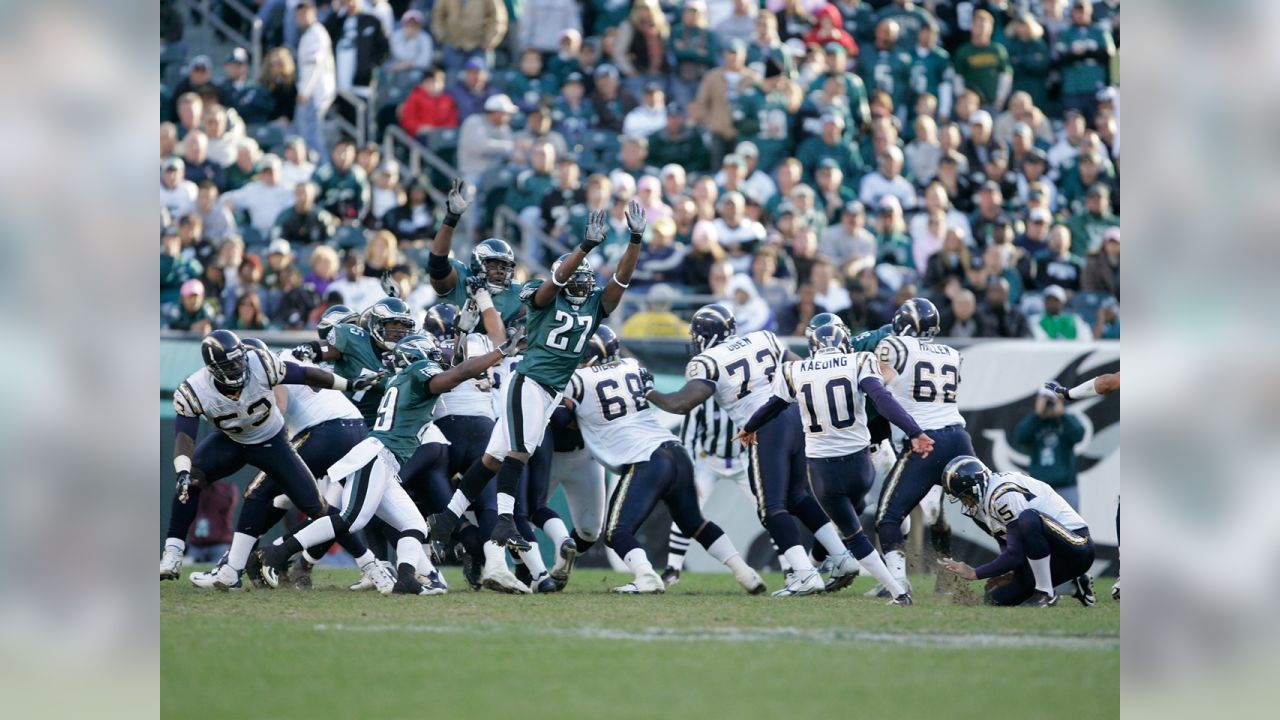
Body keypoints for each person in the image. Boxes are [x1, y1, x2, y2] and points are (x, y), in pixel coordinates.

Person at [428, 204, 646, 592]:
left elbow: (621, 281)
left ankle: (446, 518)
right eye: (574, 277)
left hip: (548, 391)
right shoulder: (543, 297)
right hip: (527, 381)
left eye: (585, 278)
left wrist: (634, 240)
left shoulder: (597, 305)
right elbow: (553, 284)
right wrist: (583, 248)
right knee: (521, 452)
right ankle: (506, 522)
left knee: (493, 459)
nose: (581, 283)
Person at [260, 331, 523, 594]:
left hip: (388, 462)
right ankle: (276, 553)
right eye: (430, 351)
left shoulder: (403, 377)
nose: (435, 356)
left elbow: (453, 371)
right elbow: (458, 374)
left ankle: (406, 578)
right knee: (351, 519)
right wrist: (499, 352)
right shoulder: (420, 370)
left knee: (415, 525)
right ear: (417, 355)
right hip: (379, 455)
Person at [645, 304, 864, 597]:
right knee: (798, 497)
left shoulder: (708, 361)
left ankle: (804, 574)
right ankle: (842, 559)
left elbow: (681, 404)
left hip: (766, 425)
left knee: (770, 507)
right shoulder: (764, 338)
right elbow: (802, 367)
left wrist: (648, 392)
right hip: (798, 417)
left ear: (704, 336)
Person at [160, 330, 384, 586]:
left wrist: (349, 383)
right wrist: (182, 471)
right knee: (192, 480)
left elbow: (306, 374)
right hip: (230, 441)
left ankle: (370, 564)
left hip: (271, 442)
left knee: (318, 507)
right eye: (228, 364)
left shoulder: (261, 364)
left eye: (238, 360)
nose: (237, 367)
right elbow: (184, 437)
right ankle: (174, 551)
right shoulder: (196, 388)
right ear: (212, 369)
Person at [740, 322, 932, 603]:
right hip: (861, 463)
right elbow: (881, 398)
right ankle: (822, 568)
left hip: (824, 468)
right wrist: (915, 431)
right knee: (851, 515)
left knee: (852, 534)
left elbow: (773, 406)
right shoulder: (860, 360)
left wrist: (749, 427)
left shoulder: (794, 370)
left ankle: (897, 590)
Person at [567, 330, 767, 594]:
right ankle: (746, 573)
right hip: (675, 450)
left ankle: (646, 576)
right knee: (694, 523)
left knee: (617, 531)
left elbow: (563, 419)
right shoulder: (632, 366)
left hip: (646, 459)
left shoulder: (578, 380)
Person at [869, 297, 975, 596]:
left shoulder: (894, 345)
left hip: (924, 442)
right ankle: (1026, 567)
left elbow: (878, 386)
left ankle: (898, 584)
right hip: (958, 437)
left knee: (887, 518)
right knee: (985, 511)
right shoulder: (952, 353)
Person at [938, 456, 1096, 607]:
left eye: (964, 495)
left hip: (1076, 544)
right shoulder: (981, 507)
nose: (964, 501)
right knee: (995, 598)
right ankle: (1073, 586)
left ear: (976, 487)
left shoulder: (1003, 494)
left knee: (1028, 519)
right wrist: (1009, 570)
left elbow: (1016, 554)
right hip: (1048, 554)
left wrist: (975, 573)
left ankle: (1045, 592)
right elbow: (1007, 544)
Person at [424, 179, 519, 346]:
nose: (500, 271)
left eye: (504, 266)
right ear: (478, 263)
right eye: (493, 264)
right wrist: (451, 219)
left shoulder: (516, 294)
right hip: (445, 351)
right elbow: (437, 264)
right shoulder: (461, 278)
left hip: (493, 361)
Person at [1013, 387, 1086, 509]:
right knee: (1040, 526)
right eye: (1045, 399)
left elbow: (1079, 434)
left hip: (1066, 486)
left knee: (1071, 526)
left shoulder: (1066, 420)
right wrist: (1037, 415)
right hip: (1039, 488)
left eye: (1052, 399)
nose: (1049, 403)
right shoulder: (1034, 422)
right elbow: (1020, 437)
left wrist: (1062, 414)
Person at [1052, 0, 1116, 121]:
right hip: (1072, 88)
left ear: (1090, 12)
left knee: (1098, 123)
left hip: (1096, 87)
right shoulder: (1065, 32)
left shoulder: (1099, 30)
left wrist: (1084, 52)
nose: (1080, 15)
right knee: (1074, 122)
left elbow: (1108, 54)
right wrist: (1085, 53)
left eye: (1083, 11)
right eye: (1077, 11)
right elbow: (1060, 57)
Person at [293, 2, 336, 158]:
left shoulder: (315, 33)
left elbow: (313, 64)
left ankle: (320, 169)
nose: (302, 18)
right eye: (299, 15)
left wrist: (304, 91)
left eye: (305, 13)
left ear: (314, 13)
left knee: (311, 137)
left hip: (313, 93)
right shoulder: (311, 33)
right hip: (314, 91)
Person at [952, 9, 1011, 111]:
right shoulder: (964, 51)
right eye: (978, 25)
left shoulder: (997, 50)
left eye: (984, 26)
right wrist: (962, 99)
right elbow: (957, 77)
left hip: (993, 103)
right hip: (971, 106)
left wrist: (1000, 99)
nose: (982, 29)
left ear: (991, 28)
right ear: (972, 27)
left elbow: (1006, 75)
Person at [430, 0, 508, 72]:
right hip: (454, 46)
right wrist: (442, 37)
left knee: (480, 82)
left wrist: (490, 40)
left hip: (479, 46)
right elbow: (437, 15)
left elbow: (499, 18)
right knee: (452, 81)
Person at [457, 94, 517, 186]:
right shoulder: (474, 122)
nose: (508, 117)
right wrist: (511, 146)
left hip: (497, 173)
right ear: (496, 113)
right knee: (470, 191)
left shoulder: (504, 128)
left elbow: (512, 151)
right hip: (474, 173)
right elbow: (482, 147)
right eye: (505, 113)